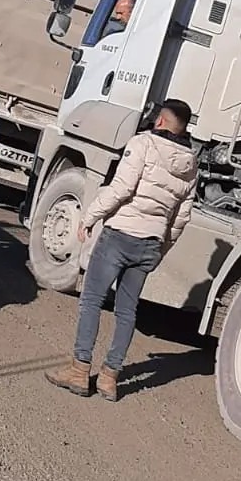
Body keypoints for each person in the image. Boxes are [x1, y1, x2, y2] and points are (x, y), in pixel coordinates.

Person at [45, 99, 197, 402]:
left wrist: (90, 217)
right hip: (150, 242)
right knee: (127, 311)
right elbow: (182, 215)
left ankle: (79, 371)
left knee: (91, 300)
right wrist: (162, 248)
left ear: (161, 122)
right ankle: (109, 379)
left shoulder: (143, 144)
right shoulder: (191, 163)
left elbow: (122, 187)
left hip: (121, 234)